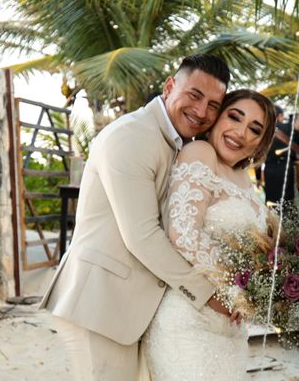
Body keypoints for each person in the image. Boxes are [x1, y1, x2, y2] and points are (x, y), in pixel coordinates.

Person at [39, 54, 232, 380]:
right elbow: (142, 236)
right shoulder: (133, 136)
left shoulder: (176, 142)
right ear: (170, 86)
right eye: (194, 95)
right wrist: (209, 294)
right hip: (99, 309)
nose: (202, 111)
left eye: (214, 105)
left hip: (130, 313)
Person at [142, 89, 276, 380]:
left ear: (260, 144)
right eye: (234, 117)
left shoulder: (242, 177)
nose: (240, 132)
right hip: (191, 318)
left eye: (254, 129)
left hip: (230, 327)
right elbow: (183, 234)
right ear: (216, 118)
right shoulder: (200, 152)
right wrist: (234, 290)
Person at [257, 105, 296, 206]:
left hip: (269, 170)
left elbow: (259, 156)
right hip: (287, 169)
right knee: (287, 202)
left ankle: (273, 220)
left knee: (271, 201)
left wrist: (258, 178)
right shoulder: (289, 129)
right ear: (280, 116)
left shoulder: (263, 131)